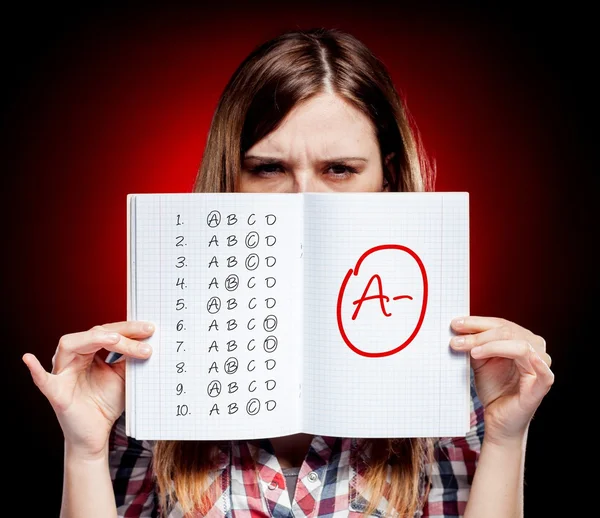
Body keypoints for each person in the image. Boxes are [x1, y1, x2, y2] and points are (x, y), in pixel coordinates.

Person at [22, 27, 554, 518]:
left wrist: (507, 438)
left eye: (339, 169)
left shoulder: (455, 382)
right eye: (268, 168)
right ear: (231, 179)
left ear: (388, 180)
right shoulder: (148, 375)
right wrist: (86, 448)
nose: (304, 200)